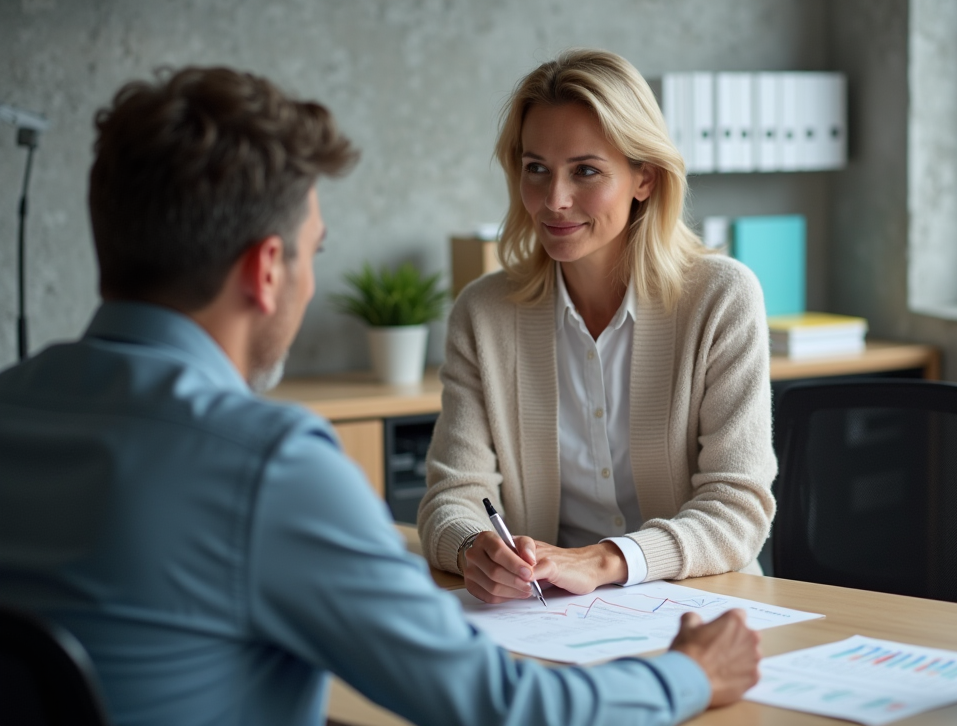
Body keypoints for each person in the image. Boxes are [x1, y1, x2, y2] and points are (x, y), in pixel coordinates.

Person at [0, 66, 762, 726]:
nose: (554, 197)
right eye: (315, 252)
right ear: (266, 270)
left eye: (585, 171)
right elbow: (499, 707)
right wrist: (689, 675)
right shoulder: (268, 466)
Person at [417, 49, 777, 605]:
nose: (554, 200)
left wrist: (606, 560)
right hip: (547, 616)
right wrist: (473, 549)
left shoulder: (721, 298)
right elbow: (451, 496)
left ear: (644, 178)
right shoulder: (483, 313)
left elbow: (737, 509)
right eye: (536, 169)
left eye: (585, 171)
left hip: (703, 606)